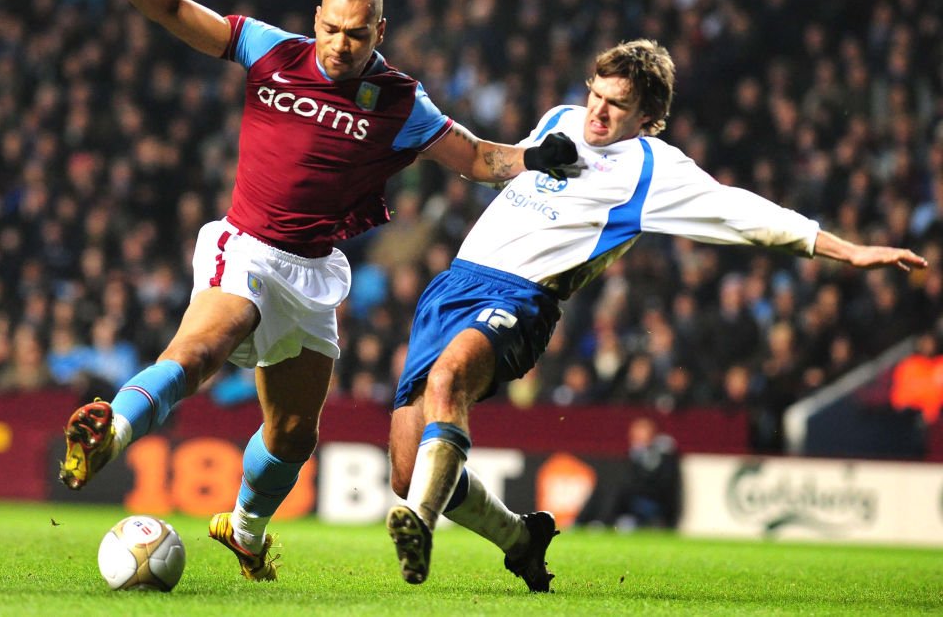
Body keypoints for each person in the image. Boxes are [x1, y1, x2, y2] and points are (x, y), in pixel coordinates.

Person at [58, 0, 579, 582]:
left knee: (293, 435)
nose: (339, 44)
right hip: (245, 246)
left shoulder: (399, 103)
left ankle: (245, 530)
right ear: (316, 19)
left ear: (379, 34)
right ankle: (113, 429)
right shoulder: (271, 50)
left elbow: (475, 157)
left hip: (311, 274)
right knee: (199, 351)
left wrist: (535, 157)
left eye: (356, 35)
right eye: (330, 29)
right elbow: (172, 8)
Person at [386, 38, 927, 590]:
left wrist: (844, 249)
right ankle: (521, 539)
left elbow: (740, 212)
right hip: (452, 285)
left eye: (615, 105)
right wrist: (523, 154)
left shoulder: (653, 168)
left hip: (519, 300)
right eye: (595, 94)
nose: (596, 110)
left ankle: (419, 527)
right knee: (409, 474)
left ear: (647, 117)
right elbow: (493, 163)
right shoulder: (562, 118)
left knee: (448, 382)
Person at [575, 416, 681, 530]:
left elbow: (662, 486)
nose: (637, 439)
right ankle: (582, 521)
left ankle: (601, 521)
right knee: (605, 486)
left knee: (617, 490)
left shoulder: (661, 457)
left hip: (650, 502)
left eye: (641, 436)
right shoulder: (632, 456)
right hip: (630, 501)